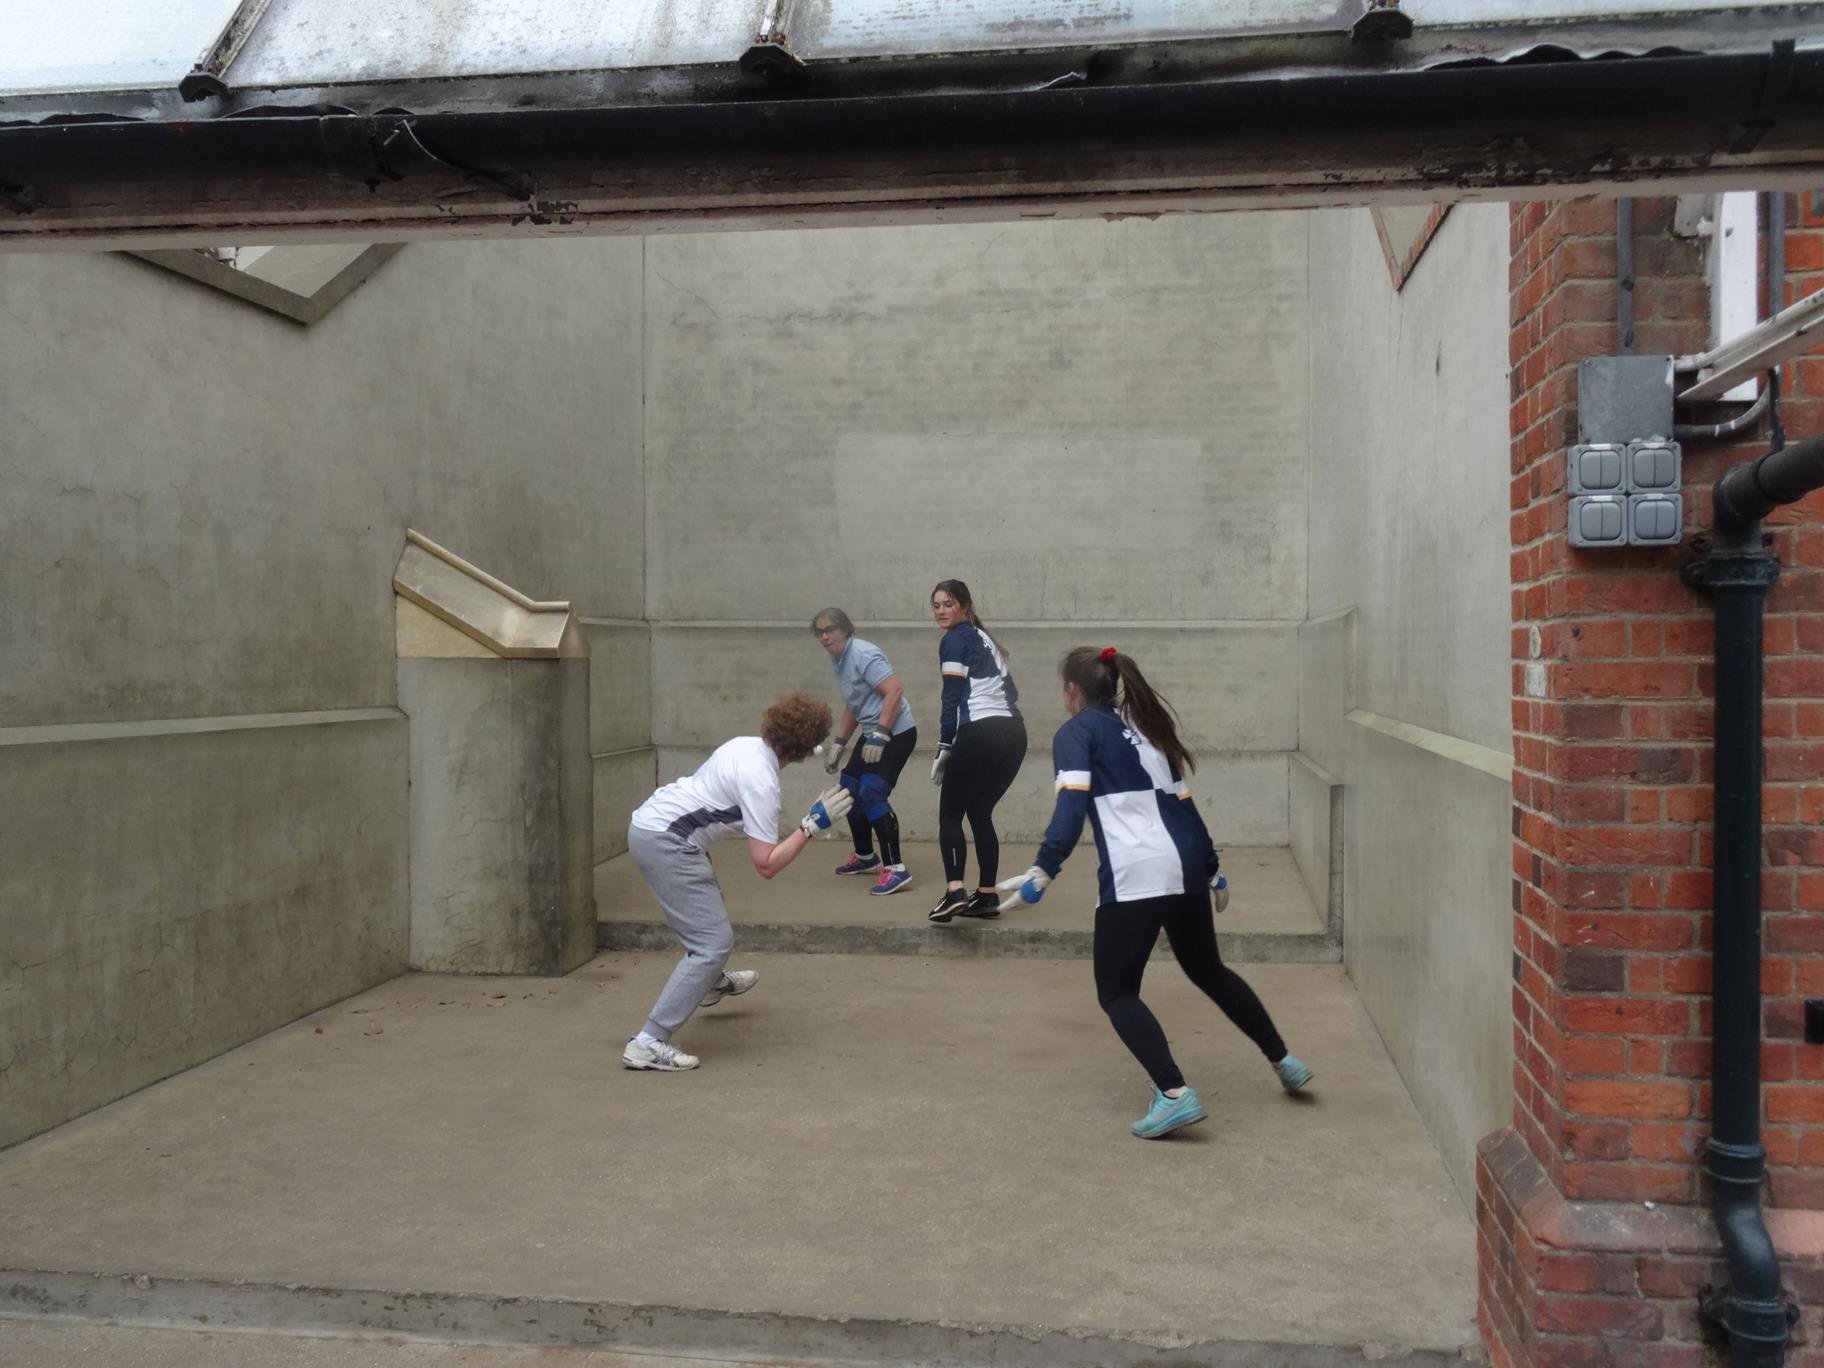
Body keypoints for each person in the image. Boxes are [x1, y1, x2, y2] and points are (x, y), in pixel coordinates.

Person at [996, 646, 1312, 1138]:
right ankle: (1285, 1061)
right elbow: (1185, 807)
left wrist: (1044, 869)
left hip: (1135, 874)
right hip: (1184, 865)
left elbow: (1071, 807)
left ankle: (1173, 1094)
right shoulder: (1148, 729)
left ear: (1073, 691)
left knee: (1117, 991)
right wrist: (1211, 869)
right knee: (1209, 969)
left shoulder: (1075, 733)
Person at [622, 691, 853, 1072]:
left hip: (654, 824)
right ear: (807, 749)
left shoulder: (744, 745)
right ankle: (648, 1042)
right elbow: (766, 864)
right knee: (713, 943)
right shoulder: (761, 782)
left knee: (707, 916)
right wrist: (810, 827)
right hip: (666, 840)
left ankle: (708, 982)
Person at [927, 579, 1026, 924]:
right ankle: (985, 896)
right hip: (1014, 734)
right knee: (979, 811)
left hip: (980, 732)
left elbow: (952, 696)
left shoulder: (953, 640)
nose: (941, 611)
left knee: (950, 815)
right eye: (936, 605)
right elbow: (1010, 690)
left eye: (948, 604)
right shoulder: (985, 639)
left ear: (965, 607)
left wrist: (944, 744)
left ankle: (955, 891)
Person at [812, 608, 919, 896]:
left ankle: (896, 870)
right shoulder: (838, 658)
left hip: (896, 733)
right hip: (872, 731)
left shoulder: (862, 654)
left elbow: (894, 691)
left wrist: (881, 734)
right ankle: (865, 857)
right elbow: (855, 703)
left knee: (872, 792)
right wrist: (840, 743)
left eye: (830, 629)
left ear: (846, 630)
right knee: (848, 790)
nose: (824, 636)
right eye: (819, 632)